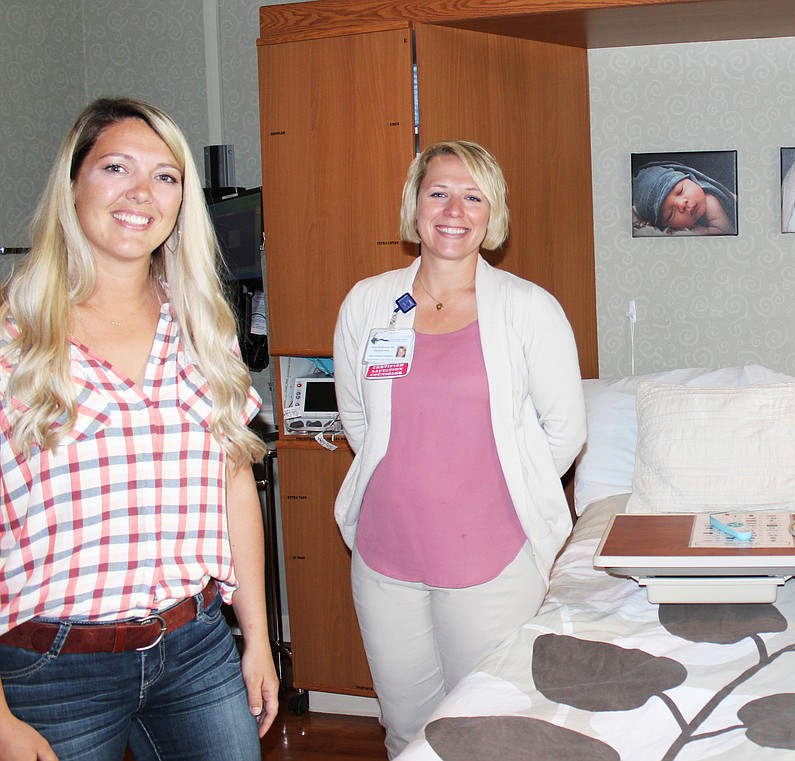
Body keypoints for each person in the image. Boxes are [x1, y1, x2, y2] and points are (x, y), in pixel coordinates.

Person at [0, 98, 278, 760]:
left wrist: (258, 637)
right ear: (73, 184)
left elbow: (235, 483)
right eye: (116, 167)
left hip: (195, 646)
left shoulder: (201, 330)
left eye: (166, 175)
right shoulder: (18, 342)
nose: (141, 193)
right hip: (54, 668)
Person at [333, 140, 586, 756]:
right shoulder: (369, 303)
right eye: (438, 192)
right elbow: (360, 422)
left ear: (492, 214)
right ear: (415, 206)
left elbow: (566, 432)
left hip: (492, 563)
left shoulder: (529, 310)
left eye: (473, 197)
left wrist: (494, 491)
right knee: (406, 730)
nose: (454, 210)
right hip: (386, 555)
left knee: (488, 733)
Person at [632, 161, 737, 235]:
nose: (682, 204)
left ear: (690, 178)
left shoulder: (710, 201)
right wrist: (647, 223)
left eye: (680, 191)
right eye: (671, 213)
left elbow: (725, 231)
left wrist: (694, 231)